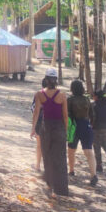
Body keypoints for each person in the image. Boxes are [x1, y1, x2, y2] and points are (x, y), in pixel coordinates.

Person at [31, 68, 69, 197]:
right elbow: (65, 115)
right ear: (56, 80)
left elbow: (36, 113)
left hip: (46, 127)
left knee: (47, 156)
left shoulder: (39, 94)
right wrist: (67, 130)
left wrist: (32, 129)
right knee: (60, 157)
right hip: (59, 128)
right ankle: (62, 189)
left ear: (46, 79)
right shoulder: (62, 95)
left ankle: (49, 184)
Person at [67, 78, 98, 186]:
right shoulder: (87, 100)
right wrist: (91, 125)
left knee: (71, 150)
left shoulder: (70, 100)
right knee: (89, 152)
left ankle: (71, 171)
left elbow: (67, 115)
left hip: (74, 127)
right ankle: (93, 175)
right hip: (86, 126)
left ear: (72, 89)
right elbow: (92, 115)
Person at [91, 89, 106, 173]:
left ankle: (99, 165)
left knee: (96, 146)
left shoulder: (94, 105)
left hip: (97, 129)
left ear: (97, 97)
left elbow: (91, 117)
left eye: (94, 95)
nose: (93, 97)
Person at [31, 76, 51, 171]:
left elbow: (33, 109)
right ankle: (49, 167)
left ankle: (38, 165)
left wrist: (33, 127)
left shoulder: (38, 95)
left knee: (39, 145)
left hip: (40, 121)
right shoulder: (57, 95)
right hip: (53, 123)